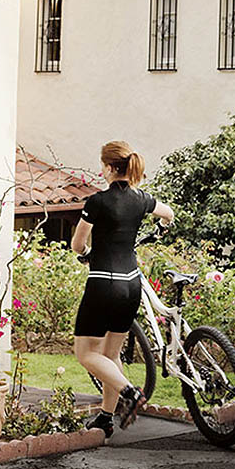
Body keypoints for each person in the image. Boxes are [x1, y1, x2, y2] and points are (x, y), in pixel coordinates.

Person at [71, 141, 175, 437]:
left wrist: (86, 254)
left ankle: (129, 392)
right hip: (132, 285)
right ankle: (105, 416)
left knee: (85, 353)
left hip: (103, 284)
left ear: (109, 167)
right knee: (110, 353)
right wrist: (163, 228)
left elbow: (78, 244)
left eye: (101, 165)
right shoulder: (142, 199)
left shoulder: (96, 202)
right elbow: (167, 213)